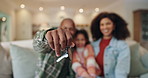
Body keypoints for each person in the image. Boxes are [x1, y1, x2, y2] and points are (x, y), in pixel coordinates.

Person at [91, 12, 130, 78]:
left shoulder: (122, 46)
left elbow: (122, 69)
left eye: (108, 24)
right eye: (102, 24)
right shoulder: (92, 44)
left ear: (114, 26)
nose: (105, 27)